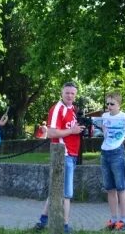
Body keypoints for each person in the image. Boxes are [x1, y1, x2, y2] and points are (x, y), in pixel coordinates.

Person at [35, 81, 86, 233]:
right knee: (66, 193)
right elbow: (51, 133)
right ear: (61, 93)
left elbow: (71, 129)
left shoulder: (72, 109)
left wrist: (78, 129)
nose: (70, 95)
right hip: (63, 153)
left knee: (56, 190)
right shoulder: (58, 109)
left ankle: (42, 221)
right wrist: (72, 131)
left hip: (71, 153)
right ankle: (64, 226)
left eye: (72, 93)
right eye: (67, 93)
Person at [95, 91, 125, 232]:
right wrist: (105, 131)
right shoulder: (105, 116)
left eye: (112, 104)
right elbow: (104, 127)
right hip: (105, 152)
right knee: (110, 188)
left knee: (121, 187)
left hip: (117, 153)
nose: (109, 106)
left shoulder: (124, 117)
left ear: (119, 105)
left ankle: (124, 220)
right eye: (108, 103)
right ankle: (113, 219)